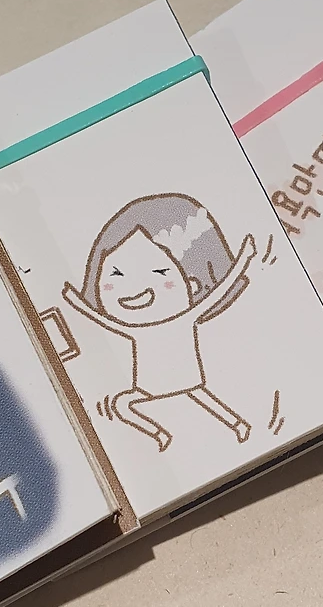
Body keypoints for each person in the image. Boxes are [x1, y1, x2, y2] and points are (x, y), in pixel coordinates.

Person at [62, 192, 256, 452]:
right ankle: (161, 435)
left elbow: (219, 292)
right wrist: (77, 303)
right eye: (116, 274)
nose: (133, 286)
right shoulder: (137, 329)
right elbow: (105, 321)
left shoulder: (184, 318)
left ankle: (237, 424)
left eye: (159, 272)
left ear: (191, 284)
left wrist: (244, 259)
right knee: (123, 404)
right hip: (150, 385)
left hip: (184, 376)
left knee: (201, 397)